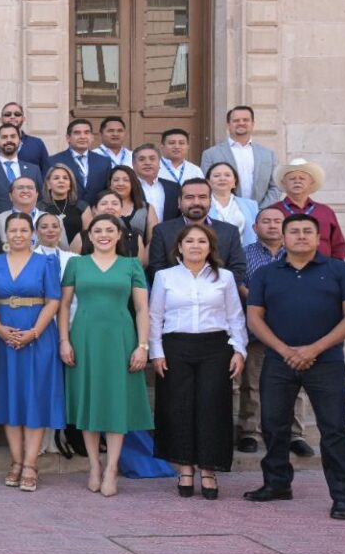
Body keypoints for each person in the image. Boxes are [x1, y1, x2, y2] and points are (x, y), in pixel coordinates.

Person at [244, 213, 345, 520]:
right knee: (273, 425)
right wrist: (284, 350)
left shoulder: (341, 271)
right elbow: (255, 317)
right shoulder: (265, 275)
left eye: (307, 231)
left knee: (333, 428)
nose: (300, 236)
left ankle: (344, 495)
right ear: (283, 238)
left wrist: (314, 349)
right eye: (293, 231)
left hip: (326, 361)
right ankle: (277, 483)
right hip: (278, 361)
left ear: (318, 237)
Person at [148, 224, 247, 500]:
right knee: (178, 407)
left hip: (215, 347)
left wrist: (239, 350)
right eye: (189, 241)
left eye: (201, 241)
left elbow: (235, 317)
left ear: (210, 247)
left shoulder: (225, 278)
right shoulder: (165, 277)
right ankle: (185, 468)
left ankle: (209, 469)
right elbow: (155, 316)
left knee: (212, 407)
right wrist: (156, 351)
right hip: (176, 346)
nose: (195, 245)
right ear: (179, 247)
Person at [59, 213, 152, 497]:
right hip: (84, 338)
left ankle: (112, 468)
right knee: (89, 400)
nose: (103, 235)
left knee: (115, 402)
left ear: (119, 234)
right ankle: (94, 466)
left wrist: (143, 346)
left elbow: (141, 309)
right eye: (97, 230)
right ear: (89, 235)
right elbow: (63, 307)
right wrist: (64, 340)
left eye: (109, 230)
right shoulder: (76, 264)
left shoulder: (131, 265)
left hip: (121, 339)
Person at [0, 212, 63, 493]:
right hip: (5, 338)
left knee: (35, 397)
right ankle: (16, 461)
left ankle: (30, 464)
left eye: (23, 229)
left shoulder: (46, 262)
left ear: (32, 233)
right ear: (6, 234)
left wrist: (34, 333)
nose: (18, 234)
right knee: (10, 398)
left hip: (38, 337)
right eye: (12, 230)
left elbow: (54, 300)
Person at [238, 206, 311, 457]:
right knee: (252, 383)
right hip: (257, 329)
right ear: (254, 228)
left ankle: (295, 434)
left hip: (293, 330)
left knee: (296, 383)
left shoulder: (300, 256)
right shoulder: (244, 255)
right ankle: (250, 432)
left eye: (276, 221)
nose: (271, 225)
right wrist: (262, 305)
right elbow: (239, 284)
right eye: (265, 221)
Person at [148, 179, 249, 288]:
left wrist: (213, 290)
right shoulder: (162, 231)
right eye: (189, 197)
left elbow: (238, 269)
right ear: (179, 202)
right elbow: (157, 270)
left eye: (202, 197)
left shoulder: (230, 232)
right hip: (176, 298)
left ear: (210, 202)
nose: (196, 202)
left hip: (217, 298)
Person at [200, 104, 280, 206]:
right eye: (236, 120)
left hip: (260, 214)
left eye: (245, 120)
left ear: (253, 124)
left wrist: (261, 211)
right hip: (224, 214)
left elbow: (275, 186)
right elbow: (206, 186)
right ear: (228, 125)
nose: (241, 123)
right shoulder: (210, 154)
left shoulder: (268, 154)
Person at [269, 158, 345, 260]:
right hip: (285, 271)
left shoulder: (325, 211)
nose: (297, 181)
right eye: (292, 178)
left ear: (311, 182)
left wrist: (334, 270)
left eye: (302, 178)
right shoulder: (274, 211)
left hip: (323, 271)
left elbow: (338, 245)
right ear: (284, 183)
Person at [47, 118, 112, 206]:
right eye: (77, 133)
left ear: (92, 137)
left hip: (97, 213)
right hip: (67, 212)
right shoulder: (53, 161)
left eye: (87, 132)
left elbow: (107, 191)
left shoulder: (104, 162)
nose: (82, 137)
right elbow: (47, 191)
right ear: (68, 138)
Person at [0, 124, 41, 216]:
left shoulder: (34, 170)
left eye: (13, 136)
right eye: (4, 137)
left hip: (30, 225)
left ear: (20, 142)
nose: (9, 140)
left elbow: (41, 200)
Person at [0, 101, 50, 173]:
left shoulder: (37, 144)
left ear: (23, 119)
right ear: (1, 119)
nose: (12, 117)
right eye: (7, 114)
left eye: (17, 114)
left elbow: (46, 173)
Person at [206, 161, 258, 247]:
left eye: (227, 175)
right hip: (211, 254)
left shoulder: (251, 205)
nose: (222, 178)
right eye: (216, 175)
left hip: (245, 255)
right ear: (208, 182)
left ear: (234, 182)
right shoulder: (201, 205)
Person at [39, 163, 86, 246]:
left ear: (70, 185)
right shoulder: (39, 208)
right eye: (56, 178)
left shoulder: (82, 206)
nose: (61, 181)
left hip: (77, 255)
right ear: (48, 184)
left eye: (65, 178)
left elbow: (88, 237)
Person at [133, 144, 182, 222]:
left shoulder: (174, 188)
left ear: (159, 163)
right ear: (134, 165)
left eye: (152, 159)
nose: (147, 163)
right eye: (141, 159)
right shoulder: (129, 187)